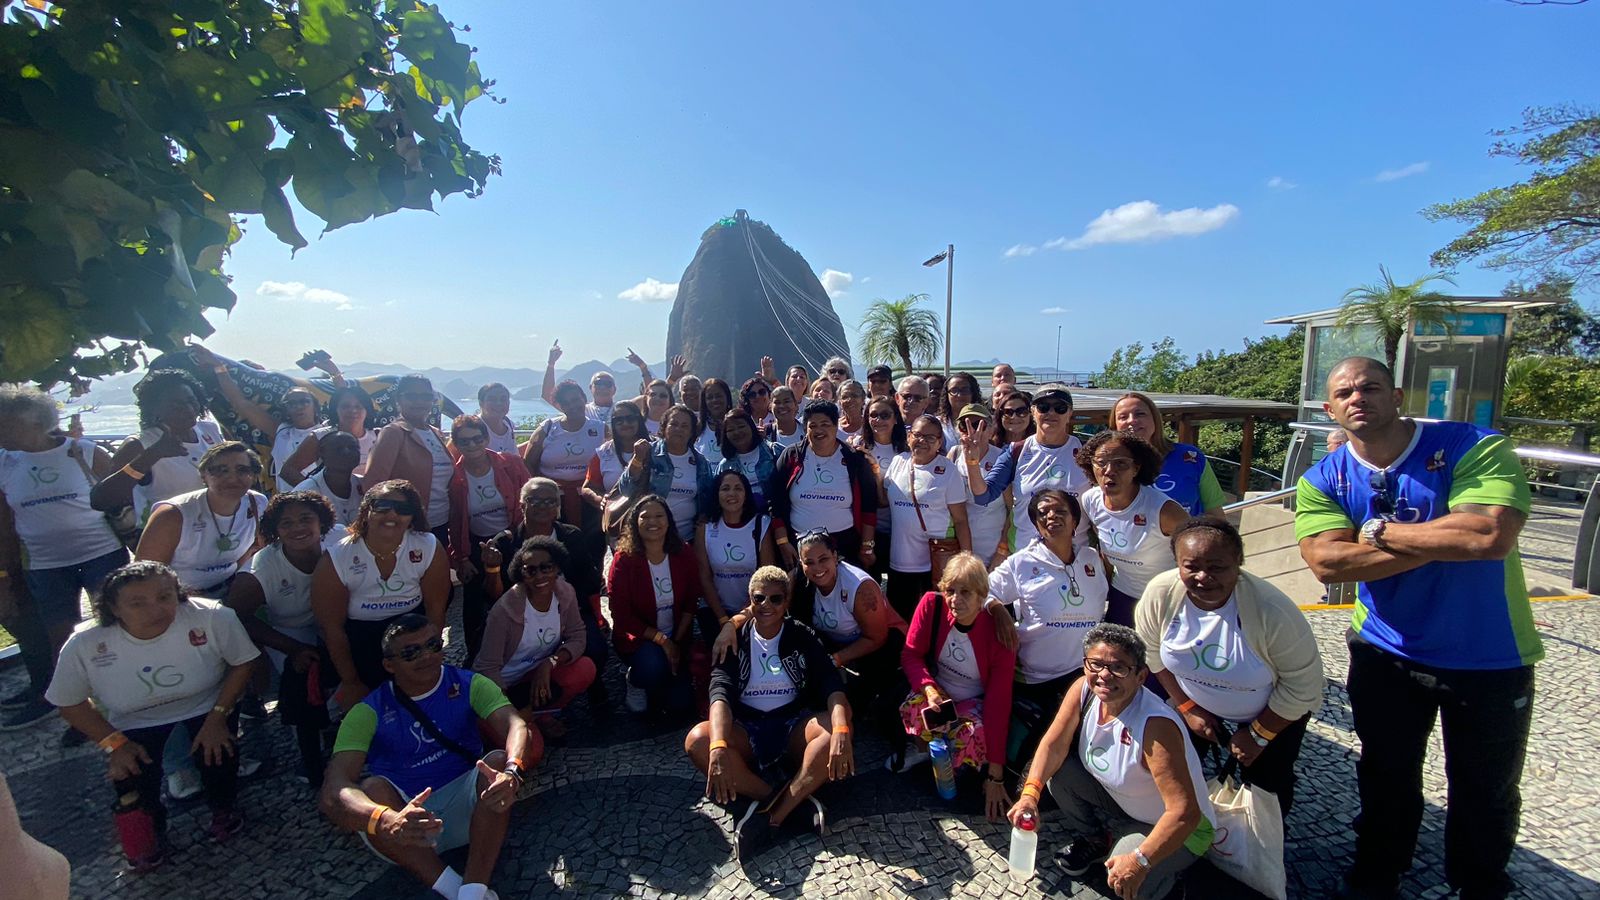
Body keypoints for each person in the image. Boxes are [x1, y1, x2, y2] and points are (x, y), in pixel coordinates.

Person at [1295, 357, 1540, 900]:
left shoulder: (1472, 446)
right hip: (1384, 651)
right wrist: (1439, 541)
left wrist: (1376, 532)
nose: (1358, 397)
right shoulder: (1324, 478)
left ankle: (1479, 885)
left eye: (1370, 387)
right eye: (1345, 392)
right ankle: (1379, 873)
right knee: (1385, 773)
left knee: (1484, 789)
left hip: (1489, 655)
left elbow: (1487, 536)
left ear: (1398, 395)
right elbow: (1328, 564)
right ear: (1330, 408)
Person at [48, 562, 258, 869]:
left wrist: (218, 717)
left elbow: (243, 662)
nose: (156, 609)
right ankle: (147, 833)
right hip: (134, 718)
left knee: (218, 753)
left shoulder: (212, 616)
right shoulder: (85, 643)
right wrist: (114, 745)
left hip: (206, 703)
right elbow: (69, 702)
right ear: (113, 608)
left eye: (165, 597)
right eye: (137, 603)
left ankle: (224, 808)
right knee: (129, 775)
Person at [320, 614, 529, 900]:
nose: (427, 656)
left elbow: (515, 724)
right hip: (404, 823)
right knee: (373, 789)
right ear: (389, 665)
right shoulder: (367, 711)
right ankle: (453, 888)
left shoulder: (468, 683)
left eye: (433, 644)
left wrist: (512, 771)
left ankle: (472, 889)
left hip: (470, 809)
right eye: (410, 652)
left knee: (495, 764)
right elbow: (334, 789)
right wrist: (385, 819)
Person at [1008, 624, 1215, 900]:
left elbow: (1184, 813)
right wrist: (1029, 796)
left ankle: (1168, 885)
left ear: (1141, 676)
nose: (1104, 675)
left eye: (1118, 668)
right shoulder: (1084, 690)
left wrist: (1139, 861)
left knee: (1120, 879)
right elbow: (1053, 745)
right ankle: (1096, 840)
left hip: (1182, 829)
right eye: (1095, 664)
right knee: (1060, 774)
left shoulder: (1155, 727)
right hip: (1127, 805)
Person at [1136, 517, 1323, 817]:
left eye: (1217, 567)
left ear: (1239, 562)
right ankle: (1183, 835)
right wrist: (1187, 708)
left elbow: (1304, 688)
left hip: (1272, 711)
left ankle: (1260, 849)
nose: (1203, 577)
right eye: (1191, 566)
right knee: (1172, 771)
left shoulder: (1273, 612)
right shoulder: (1161, 593)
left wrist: (1259, 734)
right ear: (1177, 563)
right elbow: (1151, 653)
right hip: (1195, 702)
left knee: (1267, 786)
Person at [684, 565, 853, 859]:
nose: (766, 605)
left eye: (776, 599)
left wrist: (841, 729)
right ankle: (787, 800)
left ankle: (770, 817)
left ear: (786, 602)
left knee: (834, 730)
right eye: (759, 598)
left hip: (791, 725)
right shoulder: (733, 638)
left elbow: (830, 683)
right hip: (747, 726)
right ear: (750, 600)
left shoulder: (801, 635)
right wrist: (718, 746)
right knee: (698, 740)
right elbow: (719, 692)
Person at [0, 384, 129, 729]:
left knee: (114, 627)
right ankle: (80, 715)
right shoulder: (4, 462)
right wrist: (5, 574)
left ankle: (124, 699)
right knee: (62, 638)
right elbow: (3, 523)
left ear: (37, 423)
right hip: (45, 564)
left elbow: (126, 493)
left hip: (102, 553)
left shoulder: (84, 451)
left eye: (8, 424)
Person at [224, 491, 341, 788]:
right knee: (303, 677)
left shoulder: (341, 540)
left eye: (306, 519)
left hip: (337, 616)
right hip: (290, 629)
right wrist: (293, 649)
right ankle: (310, 753)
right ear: (274, 531)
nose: (298, 528)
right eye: (286, 523)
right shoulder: (260, 569)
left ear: (323, 522)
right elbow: (236, 616)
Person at [311, 480, 450, 710]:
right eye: (383, 506)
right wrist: (351, 681)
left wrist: (431, 658)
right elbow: (331, 627)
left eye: (404, 510)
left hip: (412, 633)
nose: (393, 514)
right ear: (367, 510)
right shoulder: (337, 557)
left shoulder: (427, 546)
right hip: (360, 641)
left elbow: (436, 610)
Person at [899, 552, 1016, 820]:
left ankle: (956, 763)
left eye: (965, 592)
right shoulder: (931, 606)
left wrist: (996, 776)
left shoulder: (998, 634)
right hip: (938, 690)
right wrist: (929, 689)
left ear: (981, 597)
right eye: (950, 590)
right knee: (914, 707)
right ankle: (923, 750)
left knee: (975, 735)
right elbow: (911, 654)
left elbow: (999, 704)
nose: (955, 599)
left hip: (972, 700)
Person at [986, 490, 1111, 720]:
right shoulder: (1021, 562)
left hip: (1082, 675)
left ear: (1075, 521)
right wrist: (997, 609)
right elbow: (983, 590)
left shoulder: (1091, 559)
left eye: (1060, 511)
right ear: (1036, 525)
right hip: (1034, 680)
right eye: (1042, 513)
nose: (1051, 516)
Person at [483, 478, 609, 703]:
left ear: (558, 508)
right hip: (523, 618)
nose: (543, 507)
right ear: (522, 505)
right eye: (535, 501)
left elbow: (589, 581)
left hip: (569, 611)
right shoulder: (506, 543)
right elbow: (495, 597)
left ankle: (589, 688)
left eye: (550, 501)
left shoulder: (572, 536)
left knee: (596, 649)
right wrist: (492, 569)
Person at [475, 536, 597, 746]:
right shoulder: (505, 610)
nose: (539, 575)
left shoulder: (565, 592)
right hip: (500, 689)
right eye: (530, 570)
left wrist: (549, 663)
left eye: (546, 567)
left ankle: (540, 715)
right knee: (531, 751)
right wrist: (509, 712)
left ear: (556, 567)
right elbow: (487, 668)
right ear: (520, 573)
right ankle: (515, 722)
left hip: (533, 678)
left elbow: (577, 635)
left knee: (585, 668)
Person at [958, 383, 1090, 553]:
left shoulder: (1087, 453)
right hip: (1027, 557)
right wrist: (972, 463)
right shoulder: (1016, 451)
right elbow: (983, 496)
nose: (1051, 413)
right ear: (1033, 412)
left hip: (1075, 555)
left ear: (1070, 413)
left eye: (1060, 408)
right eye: (1043, 407)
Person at [91, 367, 224, 528]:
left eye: (191, 401)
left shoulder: (209, 430)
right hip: (169, 539)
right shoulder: (139, 445)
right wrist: (152, 455)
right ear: (154, 409)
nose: (188, 409)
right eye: (176, 405)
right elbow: (100, 500)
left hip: (217, 531)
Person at [1077, 431, 1186, 627]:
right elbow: (1105, 551)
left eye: (1120, 463)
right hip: (1122, 597)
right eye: (1101, 462)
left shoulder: (1164, 511)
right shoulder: (1090, 501)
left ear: (1136, 468)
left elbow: (1198, 554)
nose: (1109, 471)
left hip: (1166, 600)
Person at [447, 415, 530, 665]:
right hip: (474, 544)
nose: (472, 445)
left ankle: (521, 650)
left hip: (511, 538)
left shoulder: (511, 464)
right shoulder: (454, 477)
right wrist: (460, 557)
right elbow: (454, 519)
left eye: (477, 438)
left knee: (516, 594)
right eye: (464, 441)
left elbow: (529, 499)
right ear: (456, 444)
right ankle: (476, 657)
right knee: (475, 603)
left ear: (486, 438)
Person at [134, 441, 266, 598]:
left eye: (242, 470)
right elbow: (145, 577)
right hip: (179, 597)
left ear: (253, 475)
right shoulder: (172, 514)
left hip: (230, 587)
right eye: (220, 471)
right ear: (204, 476)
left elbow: (257, 548)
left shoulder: (257, 503)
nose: (232, 478)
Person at [607, 495, 698, 716]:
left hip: (676, 635)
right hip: (639, 640)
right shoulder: (624, 560)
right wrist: (663, 641)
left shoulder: (683, 552)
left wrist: (676, 641)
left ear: (669, 520)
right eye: (645, 517)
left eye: (659, 515)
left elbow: (690, 602)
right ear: (635, 522)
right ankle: (635, 681)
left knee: (681, 705)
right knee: (652, 667)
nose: (653, 522)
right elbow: (621, 615)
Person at [190, 345, 320, 493]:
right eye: (292, 403)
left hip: (322, 503)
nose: (299, 407)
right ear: (286, 409)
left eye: (304, 401)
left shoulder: (327, 433)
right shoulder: (281, 431)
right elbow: (240, 403)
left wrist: (334, 372)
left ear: (315, 406)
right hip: (287, 505)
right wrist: (219, 367)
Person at [768, 400, 879, 570]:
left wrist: (867, 546)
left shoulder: (854, 459)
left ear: (836, 426)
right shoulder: (791, 456)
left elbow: (869, 507)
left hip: (844, 546)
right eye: (813, 425)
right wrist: (782, 542)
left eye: (825, 424)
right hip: (800, 545)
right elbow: (775, 502)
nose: (819, 430)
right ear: (806, 429)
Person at [882, 415, 973, 620]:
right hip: (898, 562)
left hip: (933, 564)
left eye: (931, 438)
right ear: (908, 436)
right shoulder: (898, 462)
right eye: (918, 435)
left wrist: (966, 560)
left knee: (932, 621)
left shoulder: (948, 471)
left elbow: (960, 520)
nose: (922, 441)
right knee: (899, 621)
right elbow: (882, 500)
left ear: (940, 442)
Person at [363, 375, 455, 550]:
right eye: (412, 396)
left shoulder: (435, 433)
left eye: (426, 397)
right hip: (407, 525)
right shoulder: (393, 433)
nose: (419, 402)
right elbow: (373, 483)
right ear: (399, 400)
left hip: (440, 523)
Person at [1111, 392, 1226, 517]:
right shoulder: (1108, 464)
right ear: (1115, 426)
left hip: (1187, 534)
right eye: (1123, 417)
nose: (1132, 420)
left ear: (1155, 419)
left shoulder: (1190, 457)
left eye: (1140, 414)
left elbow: (1215, 513)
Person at [695, 471, 777, 636]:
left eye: (738, 488)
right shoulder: (705, 529)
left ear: (746, 494)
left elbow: (765, 578)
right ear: (717, 494)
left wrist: (741, 618)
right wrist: (724, 620)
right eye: (725, 488)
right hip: (717, 611)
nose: (731, 493)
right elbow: (704, 577)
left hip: (754, 608)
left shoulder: (761, 525)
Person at [618, 405, 715, 543]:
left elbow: (708, 500)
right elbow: (626, 490)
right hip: (651, 538)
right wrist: (637, 459)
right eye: (673, 424)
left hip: (688, 539)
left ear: (692, 431)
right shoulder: (647, 453)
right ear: (664, 427)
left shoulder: (701, 462)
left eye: (684, 426)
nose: (679, 429)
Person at [521, 380, 605, 529]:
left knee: (592, 545)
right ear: (559, 406)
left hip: (589, 498)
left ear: (584, 399)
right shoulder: (547, 428)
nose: (572, 406)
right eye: (566, 403)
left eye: (575, 400)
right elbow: (528, 464)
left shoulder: (601, 429)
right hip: (550, 501)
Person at [279, 385, 379, 486]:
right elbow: (288, 471)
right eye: (345, 406)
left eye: (358, 406)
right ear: (335, 409)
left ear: (367, 410)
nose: (352, 410)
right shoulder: (320, 437)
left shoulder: (379, 436)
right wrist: (318, 493)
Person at [855, 396, 907, 582]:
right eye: (873, 415)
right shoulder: (858, 448)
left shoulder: (907, 449)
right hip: (867, 530)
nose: (878, 420)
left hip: (900, 531)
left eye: (885, 415)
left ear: (896, 418)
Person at [952, 403, 1010, 568]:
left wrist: (1002, 550)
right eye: (965, 425)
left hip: (994, 550)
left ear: (991, 430)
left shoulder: (1002, 459)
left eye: (980, 425)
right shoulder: (954, 455)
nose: (973, 431)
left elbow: (1012, 510)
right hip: (961, 548)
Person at [293, 431, 365, 526]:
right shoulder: (305, 493)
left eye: (352, 447)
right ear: (322, 453)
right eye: (338, 448)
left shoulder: (364, 485)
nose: (346, 451)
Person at [582, 400, 649, 503]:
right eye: (619, 420)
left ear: (638, 420)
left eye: (630, 419)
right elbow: (588, 488)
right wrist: (601, 500)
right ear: (613, 424)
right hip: (615, 514)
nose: (625, 424)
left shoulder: (656, 448)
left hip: (652, 514)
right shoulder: (603, 452)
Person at [541, 340, 619, 425]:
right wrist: (551, 364)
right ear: (590, 387)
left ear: (614, 389)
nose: (603, 387)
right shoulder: (579, 409)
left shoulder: (624, 409)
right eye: (598, 383)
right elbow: (548, 395)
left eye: (607, 384)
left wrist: (637, 363)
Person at [717, 410, 779, 513]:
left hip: (776, 519)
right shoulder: (724, 466)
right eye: (731, 430)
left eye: (741, 427)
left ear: (751, 427)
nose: (737, 432)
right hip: (742, 521)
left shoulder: (774, 451)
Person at [938, 372, 984, 451]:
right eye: (954, 390)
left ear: (973, 392)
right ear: (947, 394)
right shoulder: (937, 423)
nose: (959, 395)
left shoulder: (984, 422)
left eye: (965, 390)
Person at [695, 379, 736, 465]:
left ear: (727, 397)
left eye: (718, 396)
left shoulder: (739, 424)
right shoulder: (696, 428)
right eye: (710, 397)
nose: (714, 400)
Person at [475, 383, 520, 456]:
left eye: (503, 399)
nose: (499, 403)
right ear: (481, 403)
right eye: (492, 399)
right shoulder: (472, 427)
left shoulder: (508, 424)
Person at [836, 380, 867, 445]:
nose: (850, 400)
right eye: (845, 397)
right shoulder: (834, 427)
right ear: (839, 401)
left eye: (855, 396)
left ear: (863, 399)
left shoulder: (870, 426)